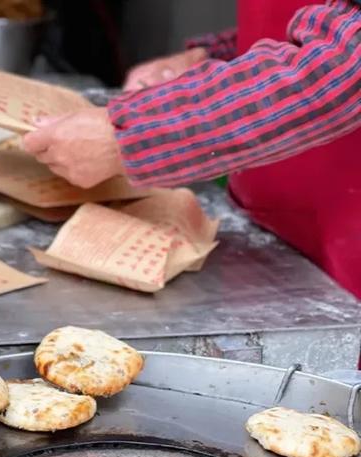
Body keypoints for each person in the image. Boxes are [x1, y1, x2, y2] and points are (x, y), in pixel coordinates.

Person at [22, 0, 361, 297]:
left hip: (348, 251)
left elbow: (346, 65)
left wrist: (131, 136)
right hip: (277, 232)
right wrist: (217, 61)